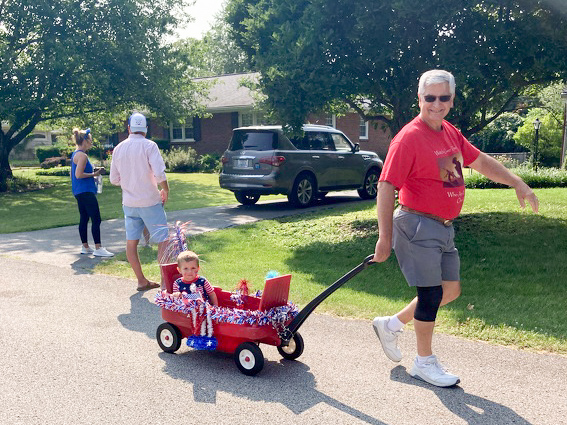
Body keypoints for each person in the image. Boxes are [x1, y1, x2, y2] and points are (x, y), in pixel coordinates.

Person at [372, 69, 539, 387]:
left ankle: (390, 324)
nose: (436, 104)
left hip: (443, 227)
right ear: (419, 98)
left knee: (450, 290)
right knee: (431, 294)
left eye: (443, 97)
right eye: (430, 97)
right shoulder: (408, 138)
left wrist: (516, 181)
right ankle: (423, 362)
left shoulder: (449, 132)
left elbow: (480, 161)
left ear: (451, 100)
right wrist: (384, 237)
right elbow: (386, 185)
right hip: (417, 225)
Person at [109, 112, 169, 291]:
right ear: (146, 129)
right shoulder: (150, 146)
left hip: (129, 203)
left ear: (129, 128)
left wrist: (128, 181)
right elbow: (159, 173)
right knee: (163, 241)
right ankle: (165, 283)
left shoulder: (118, 148)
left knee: (131, 242)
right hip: (150, 201)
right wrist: (165, 189)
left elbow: (113, 179)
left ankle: (141, 280)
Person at [70, 128, 114, 258]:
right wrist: (95, 174)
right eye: (90, 140)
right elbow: (78, 175)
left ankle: (85, 247)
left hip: (78, 191)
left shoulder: (75, 154)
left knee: (84, 218)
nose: (91, 142)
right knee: (96, 218)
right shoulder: (83, 156)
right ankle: (98, 248)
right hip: (86, 191)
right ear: (85, 141)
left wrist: (92, 172)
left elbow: (75, 174)